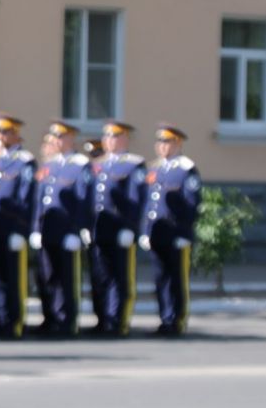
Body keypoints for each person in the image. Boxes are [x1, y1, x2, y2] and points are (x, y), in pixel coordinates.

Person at [30, 121, 92, 337]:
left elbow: (84, 200)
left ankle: (67, 321)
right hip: (48, 229)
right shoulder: (49, 165)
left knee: (67, 279)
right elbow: (40, 199)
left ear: (70, 138)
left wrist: (78, 230)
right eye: (54, 137)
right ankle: (51, 318)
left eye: (60, 137)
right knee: (48, 277)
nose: (56, 141)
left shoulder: (80, 164)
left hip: (67, 231)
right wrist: (36, 228)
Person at [139, 124, 202, 337]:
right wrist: (145, 231)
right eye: (160, 142)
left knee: (177, 279)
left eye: (167, 142)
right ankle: (165, 319)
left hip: (176, 234)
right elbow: (148, 204)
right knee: (160, 279)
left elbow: (191, 204)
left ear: (178, 143)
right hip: (158, 233)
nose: (162, 146)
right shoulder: (155, 168)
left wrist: (185, 234)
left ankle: (178, 320)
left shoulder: (186, 169)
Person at [85, 121, 146, 337]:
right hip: (98, 229)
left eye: (114, 136)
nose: (109, 140)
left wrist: (130, 228)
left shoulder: (133, 165)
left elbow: (136, 199)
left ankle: (117, 321)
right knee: (99, 276)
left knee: (119, 278)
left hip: (119, 230)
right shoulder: (97, 164)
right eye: (107, 136)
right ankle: (102, 319)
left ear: (124, 139)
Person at [0, 114, 36, 340]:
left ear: (15, 134)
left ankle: (14, 322)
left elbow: (25, 199)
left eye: (4, 132)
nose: (0, 137)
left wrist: (21, 230)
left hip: (12, 229)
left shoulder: (24, 162)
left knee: (13, 278)